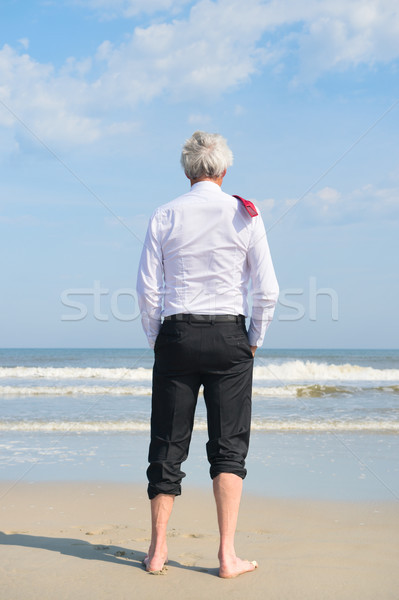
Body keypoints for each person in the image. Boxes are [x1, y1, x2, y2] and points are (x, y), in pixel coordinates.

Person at [136, 131, 279, 578]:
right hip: (229, 336)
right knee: (229, 447)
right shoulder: (244, 214)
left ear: (186, 171)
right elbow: (268, 290)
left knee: (167, 442)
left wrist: (159, 337)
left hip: (177, 333)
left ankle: (157, 552)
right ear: (223, 170)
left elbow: (146, 289)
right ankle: (226, 556)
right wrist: (253, 337)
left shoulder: (165, 214)